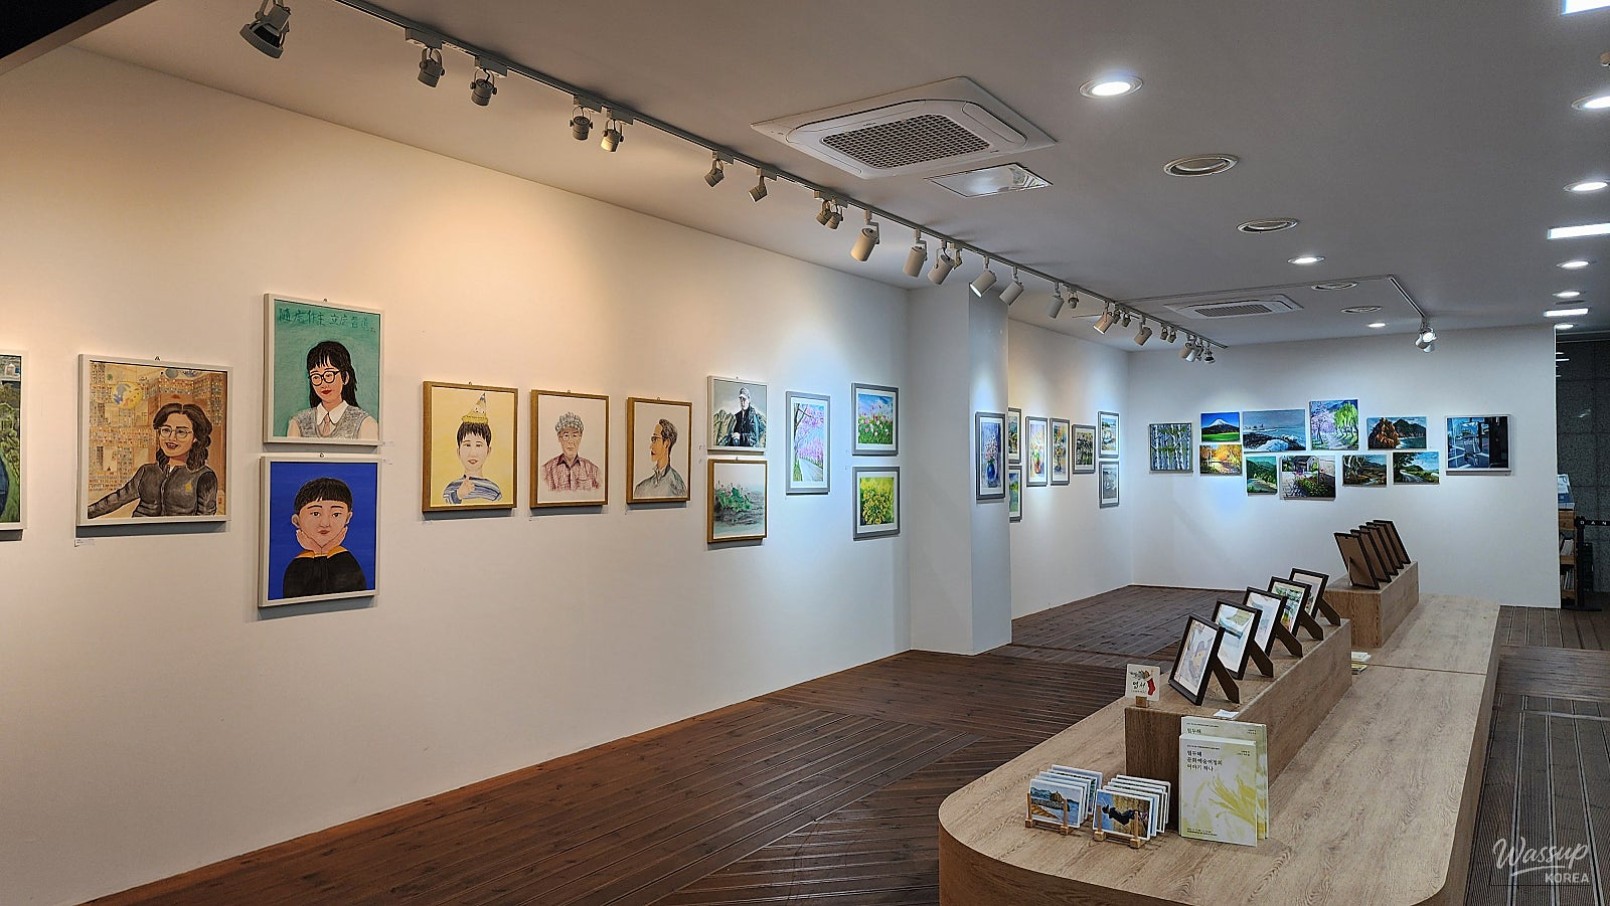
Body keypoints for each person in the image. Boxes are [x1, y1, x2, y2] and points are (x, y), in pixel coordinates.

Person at [87, 402, 218, 518]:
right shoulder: (147, 471)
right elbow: (118, 498)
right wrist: (84, 514)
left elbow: (205, 519)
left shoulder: (204, 476)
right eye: (166, 430)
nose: (171, 438)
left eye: (181, 432)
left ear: (196, 437)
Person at [281, 476, 368, 598]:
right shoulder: (298, 565)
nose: (325, 523)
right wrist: (319, 552)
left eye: (336, 514)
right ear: (297, 521)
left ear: (347, 518)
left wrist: (321, 552)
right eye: (316, 513)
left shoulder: (345, 560)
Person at [286, 340, 378, 440]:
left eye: (329, 375)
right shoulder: (298, 423)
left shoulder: (365, 423)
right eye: (316, 377)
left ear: (345, 377)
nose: (323, 383)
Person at [442, 394, 502, 504]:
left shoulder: (494, 491)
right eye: (467, 445)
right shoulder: (451, 488)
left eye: (478, 445)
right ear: (458, 452)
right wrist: (458, 495)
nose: (472, 453)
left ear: (488, 451)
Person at [542, 410, 602, 492]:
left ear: (580, 437)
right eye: (566, 435)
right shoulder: (547, 470)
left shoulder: (593, 470)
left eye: (574, 435)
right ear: (559, 438)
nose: (570, 441)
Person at [633, 417, 686, 498]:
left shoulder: (677, 486)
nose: (651, 446)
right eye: (652, 440)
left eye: (655, 439)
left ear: (667, 443)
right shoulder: (641, 488)